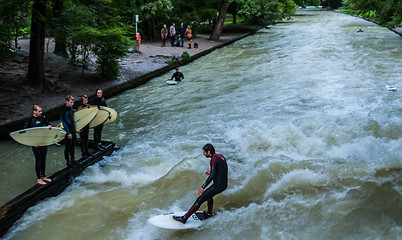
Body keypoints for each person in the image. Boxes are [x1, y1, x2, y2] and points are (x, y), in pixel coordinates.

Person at [173, 144, 228, 224]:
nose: (203, 154)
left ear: (209, 152)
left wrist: (203, 187)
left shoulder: (213, 160)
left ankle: (184, 218)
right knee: (209, 195)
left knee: (200, 199)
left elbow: (212, 175)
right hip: (223, 185)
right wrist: (212, 170)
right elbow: (222, 167)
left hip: (218, 186)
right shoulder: (220, 156)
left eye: (204, 152)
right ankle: (209, 213)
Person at [25, 105, 53, 185]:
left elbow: (48, 123)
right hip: (35, 144)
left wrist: (49, 126)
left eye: (41, 111)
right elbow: (26, 133)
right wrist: (33, 143)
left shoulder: (42, 117)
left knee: (44, 159)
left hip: (43, 142)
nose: (41, 112)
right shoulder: (30, 120)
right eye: (39, 111)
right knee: (38, 160)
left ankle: (43, 176)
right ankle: (39, 178)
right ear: (34, 111)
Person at [60, 95, 77, 168]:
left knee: (73, 145)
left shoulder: (71, 109)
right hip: (68, 131)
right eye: (71, 102)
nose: (72, 104)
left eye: (73, 102)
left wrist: (76, 130)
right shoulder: (63, 110)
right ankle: (68, 161)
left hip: (73, 130)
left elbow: (74, 120)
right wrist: (68, 132)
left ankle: (73, 159)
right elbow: (63, 122)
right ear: (67, 102)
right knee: (68, 147)